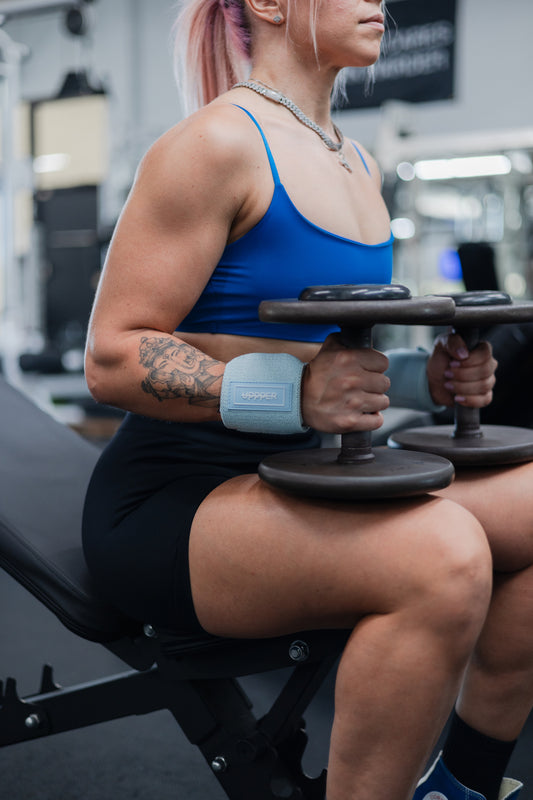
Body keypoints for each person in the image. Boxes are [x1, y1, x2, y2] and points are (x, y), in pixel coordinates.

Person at [81, 2, 533, 799]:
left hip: (306, 472)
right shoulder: (216, 144)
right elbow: (113, 358)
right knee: (444, 557)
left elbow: (322, 355)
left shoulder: (354, 161)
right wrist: (292, 393)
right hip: (176, 500)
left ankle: (459, 784)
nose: (381, 2)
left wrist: (413, 380)